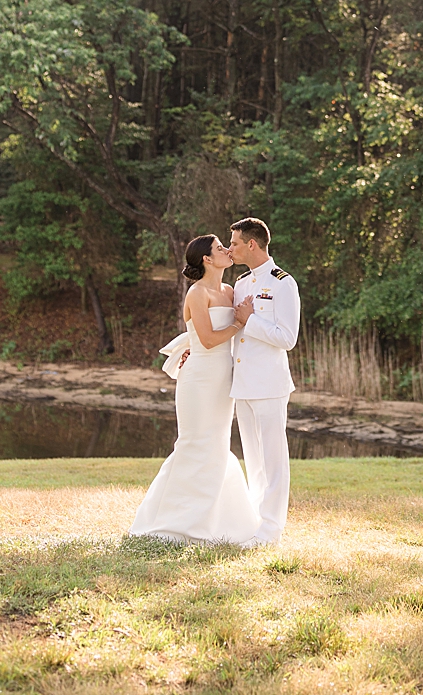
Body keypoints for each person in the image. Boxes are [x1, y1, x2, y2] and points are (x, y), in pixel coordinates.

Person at [129, 234, 260, 545]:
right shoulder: (196, 293)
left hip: (224, 377)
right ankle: (172, 521)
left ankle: (218, 521)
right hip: (199, 378)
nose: (227, 250)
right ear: (207, 259)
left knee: (217, 443)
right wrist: (241, 323)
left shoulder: (230, 290)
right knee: (193, 442)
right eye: (220, 248)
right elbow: (209, 339)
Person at [226, 217, 301, 546]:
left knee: (272, 458)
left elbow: (287, 338)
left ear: (251, 244)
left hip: (269, 384)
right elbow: (232, 333)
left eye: (235, 243)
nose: (231, 249)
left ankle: (271, 530)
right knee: (253, 459)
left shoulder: (283, 283)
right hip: (243, 382)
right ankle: (256, 522)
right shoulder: (241, 283)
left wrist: (251, 320)